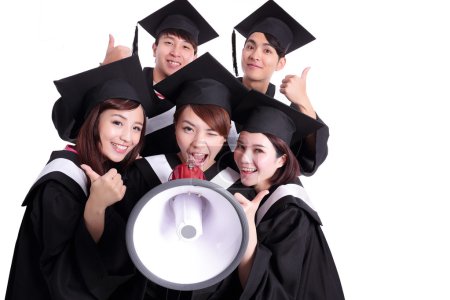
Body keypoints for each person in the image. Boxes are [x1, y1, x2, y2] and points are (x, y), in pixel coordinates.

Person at [80, 53, 251, 300]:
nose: (198, 143)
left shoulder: (241, 191)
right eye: (188, 129)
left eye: (212, 133)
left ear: (226, 137)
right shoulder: (141, 173)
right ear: (174, 127)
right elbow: (111, 253)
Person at [5, 55, 152, 300]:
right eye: (117, 122)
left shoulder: (110, 173)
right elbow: (66, 281)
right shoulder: (59, 183)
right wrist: (96, 206)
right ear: (93, 122)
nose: (128, 137)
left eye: (136, 128)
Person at [205, 90, 345, 299]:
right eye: (241, 146)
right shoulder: (249, 190)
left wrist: (249, 229)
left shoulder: (292, 214)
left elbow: (269, 293)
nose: (244, 158)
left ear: (282, 160)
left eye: (259, 150)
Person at [103, 0, 218, 157]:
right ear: (154, 48)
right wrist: (104, 71)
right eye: (169, 42)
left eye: (185, 47)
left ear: (195, 57)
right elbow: (71, 130)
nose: (175, 52)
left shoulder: (196, 100)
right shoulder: (127, 83)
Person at [232, 0, 329, 176]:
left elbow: (307, 159)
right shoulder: (219, 92)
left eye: (267, 51)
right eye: (250, 46)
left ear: (281, 63)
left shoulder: (280, 114)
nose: (255, 55)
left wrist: (303, 102)